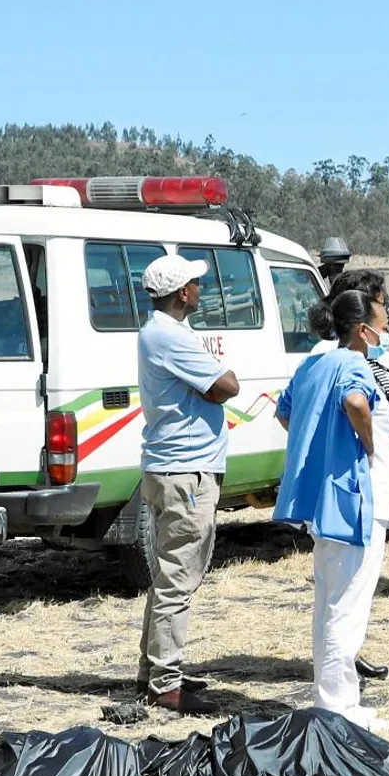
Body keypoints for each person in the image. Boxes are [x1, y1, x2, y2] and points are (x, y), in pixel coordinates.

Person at [277, 288, 389, 729]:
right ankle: (338, 706)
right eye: (381, 325)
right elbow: (356, 403)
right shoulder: (354, 365)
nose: (384, 332)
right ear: (362, 331)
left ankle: (337, 698)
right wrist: (366, 443)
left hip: (321, 498)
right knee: (348, 602)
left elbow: (285, 413)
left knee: (328, 599)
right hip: (352, 498)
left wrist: (318, 442)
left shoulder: (314, 364)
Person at [135, 254, 240, 712]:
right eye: (195, 283)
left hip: (170, 467)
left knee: (167, 577)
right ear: (182, 293)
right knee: (178, 579)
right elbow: (227, 385)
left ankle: (153, 671)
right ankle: (165, 683)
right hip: (186, 472)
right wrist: (213, 382)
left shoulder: (161, 333)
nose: (200, 287)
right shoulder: (169, 337)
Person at [308, 269, 389, 683]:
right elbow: (357, 406)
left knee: (341, 593)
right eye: (381, 306)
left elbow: (382, 410)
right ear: (361, 320)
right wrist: (367, 446)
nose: (388, 317)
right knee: (346, 593)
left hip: (365, 483)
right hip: (357, 489)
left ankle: (341, 669)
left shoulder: (360, 360)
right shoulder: (342, 362)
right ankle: (339, 689)